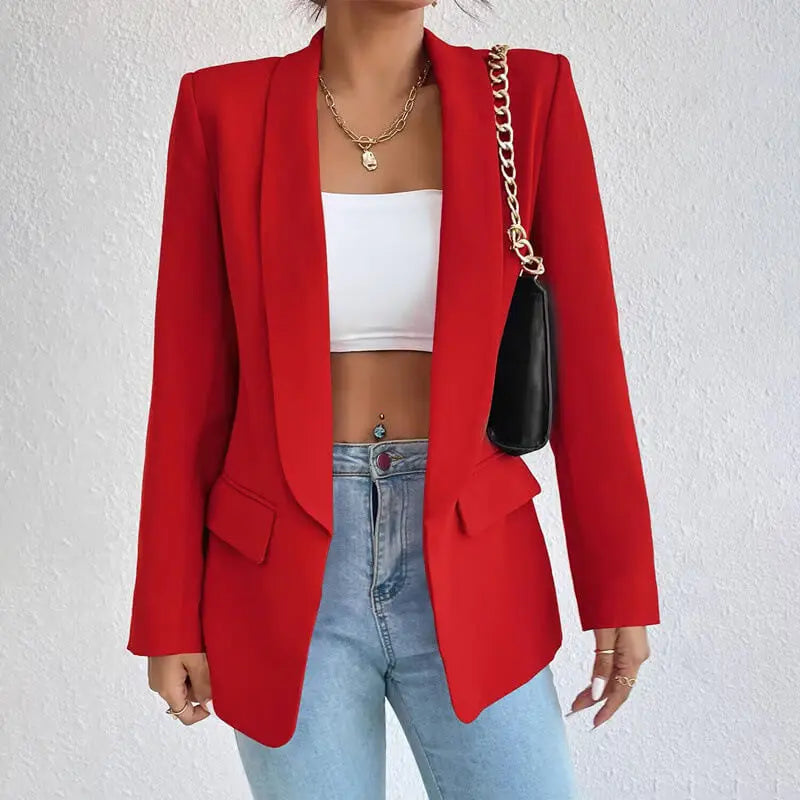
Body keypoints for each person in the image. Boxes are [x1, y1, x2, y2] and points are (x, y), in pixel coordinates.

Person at [127, 1, 660, 797]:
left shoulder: (526, 97)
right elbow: (188, 384)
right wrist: (168, 613)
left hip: (473, 557)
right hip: (283, 575)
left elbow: (587, 361)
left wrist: (619, 585)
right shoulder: (222, 110)